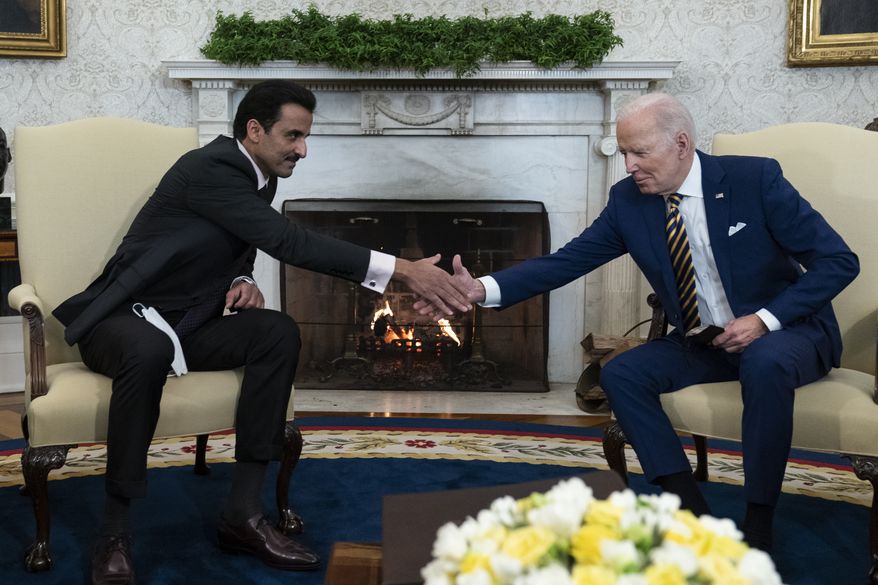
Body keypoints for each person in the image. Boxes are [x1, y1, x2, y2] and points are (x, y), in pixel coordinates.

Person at [53, 80, 471, 585]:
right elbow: (284, 239)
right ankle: (114, 533)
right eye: (293, 136)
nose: (303, 150)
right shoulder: (209, 167)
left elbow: (238, 241)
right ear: (254, 130)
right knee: (148, 347)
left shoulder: (260, 174)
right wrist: (403, 269)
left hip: (189, 326)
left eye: (305, 137)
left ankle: (243, 514)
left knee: (275, 331)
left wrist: (241, 279)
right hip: (125, 321)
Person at [417, 92, 859, 551]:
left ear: (682, 144)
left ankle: (759, 521)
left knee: (765, 362)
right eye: (624, 151)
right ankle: (687, 509)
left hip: (787, 334)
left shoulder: (755, 179)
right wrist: (480, 289)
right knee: (622, 372)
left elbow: (838, 261)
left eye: (639, 152)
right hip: (705, 342)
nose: (628, 165)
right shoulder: (629, 202)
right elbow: (567, 261)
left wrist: (764, 320)